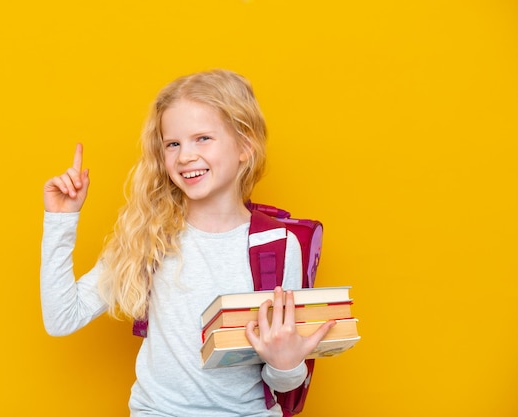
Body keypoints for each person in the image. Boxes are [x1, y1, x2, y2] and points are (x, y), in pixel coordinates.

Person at [40, 69, 335, 416]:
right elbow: (62, 318)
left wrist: (285, 364)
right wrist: (61, 220)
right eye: (173, 144)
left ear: (244, 146)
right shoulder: (147, 235)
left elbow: (285, 383)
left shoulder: (279, 244)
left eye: (203, 139)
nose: (184, 157)